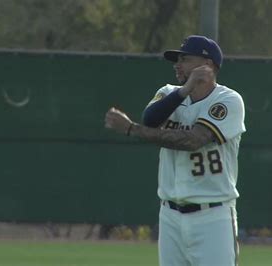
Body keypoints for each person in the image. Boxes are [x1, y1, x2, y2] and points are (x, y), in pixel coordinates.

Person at [105, 35, 246, 266]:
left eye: (185, 59)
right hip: (170, 215)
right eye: (177, 60)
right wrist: (185, 90)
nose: (177, 65)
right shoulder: (169, 93)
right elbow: (150, 119)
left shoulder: (228, 100)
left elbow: (193, 141)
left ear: (207, 65)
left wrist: (131, 129)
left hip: (213, 216)